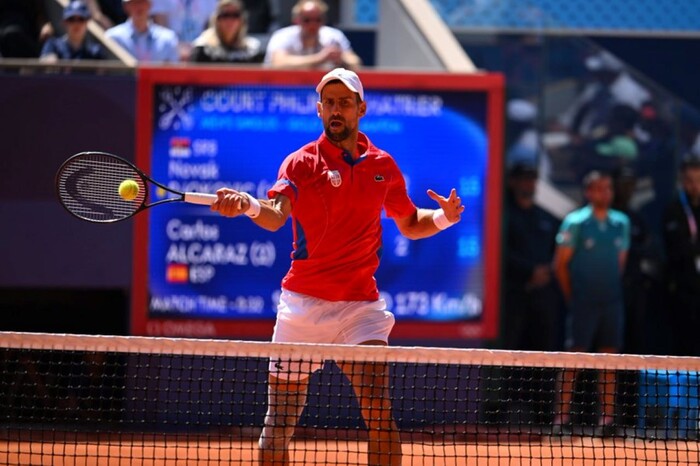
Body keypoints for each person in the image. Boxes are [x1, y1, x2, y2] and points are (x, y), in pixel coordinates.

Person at [210, 68, 464, 465]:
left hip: (360, 307)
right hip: (302, 307)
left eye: (344, 102)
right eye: (329, 103)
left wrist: (446, 217)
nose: (336, 110)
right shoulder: (300, 163)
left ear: (360, 108)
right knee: (279, 422)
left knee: (379, 409)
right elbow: (276, 215)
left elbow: (412, 222)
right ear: (319, 109)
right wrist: (247, 205)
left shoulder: (383, 165)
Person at [552, 170, 630, 437]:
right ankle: (561, 420)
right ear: (588, 192)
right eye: (598, 188)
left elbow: (619, 264)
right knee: (574, 359)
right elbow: (560, 266)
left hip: (611, 302)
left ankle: (607, 421)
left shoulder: (621, 223)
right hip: (582, 302)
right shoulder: (575, 222)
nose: (604, 193)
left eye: (608, 188)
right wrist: (573, 298)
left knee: (610, 359)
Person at [500, 161, 562, 426]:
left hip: (542, 300)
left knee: (543, 356)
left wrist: (544, 272)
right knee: (510, 356)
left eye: (532, 178)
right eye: (524, 178)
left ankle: (543, 415)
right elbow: (502, 253)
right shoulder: (504, 217)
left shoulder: (545, 218)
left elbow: (556, 254)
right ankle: (503, 413)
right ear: (513, 182)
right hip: (513, 298)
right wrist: (528, 273)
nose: (528, 184)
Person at [662, 154, 700, 356]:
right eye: (689, 181)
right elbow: (677, 250)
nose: (694, 186)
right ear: (682, 181)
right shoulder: (673, 211)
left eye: (698, 180)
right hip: (684, 292)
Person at [263, 0, 361, 71]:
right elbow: (278, 64)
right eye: (307, 20)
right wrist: (320, 58)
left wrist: (341, 58)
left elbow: (355, 63)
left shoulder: (333, 36)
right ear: (296, 20)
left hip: (320, 91)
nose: (313, 24)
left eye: (318, 19)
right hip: (282, 91)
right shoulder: (283, 36)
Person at [189, 0, 263, 63]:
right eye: (225, 15)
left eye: (235, 15)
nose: (230, 21)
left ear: (242, 21)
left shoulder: (252, 49)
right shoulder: (202, 48)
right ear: (216, 19)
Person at [105, 0, 179, 63]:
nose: (139, 7)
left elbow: (173, 73)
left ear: (150, 5)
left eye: (142, 2)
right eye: (134, 3)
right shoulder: (113, 38)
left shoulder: (167, 39)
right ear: (126, 7)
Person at [40, 1, 107, 62]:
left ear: (87, 23)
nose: (76, 24)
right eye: (71, 19)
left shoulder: (95, 52)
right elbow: (44, 67)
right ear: (64, 23)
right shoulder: (53, 46)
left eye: (81, 19)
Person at [151, 0, 217, 61]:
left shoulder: (210, 1)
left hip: (200, 54)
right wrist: (176, 48)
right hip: (170, 53)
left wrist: (197, 51)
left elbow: (210, 32)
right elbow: (160, 32)